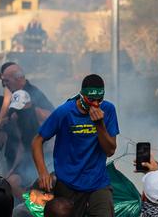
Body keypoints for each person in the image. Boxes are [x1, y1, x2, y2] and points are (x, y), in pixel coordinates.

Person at [32, 74, 119, 217]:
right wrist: (43, 173)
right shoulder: (65, 112)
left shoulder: (108, 110)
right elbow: (37, 141)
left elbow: (110, 150)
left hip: (98, 182)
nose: (96, 104)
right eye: (91, 100)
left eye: (99, 100)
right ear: (82, 95)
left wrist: (99, 124)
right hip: (68, 183)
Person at [6, 89, 52, 185]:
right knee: (12, 182)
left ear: (29, 104)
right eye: (16, 108)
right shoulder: (16, 118)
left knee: (46, 184)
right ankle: (28, 200)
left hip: (47, 157)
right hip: (28, 158)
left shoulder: (42, 114)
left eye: (20, 108)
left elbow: (59, 133)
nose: (18, 111)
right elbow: (21, 146)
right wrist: (13, 168)